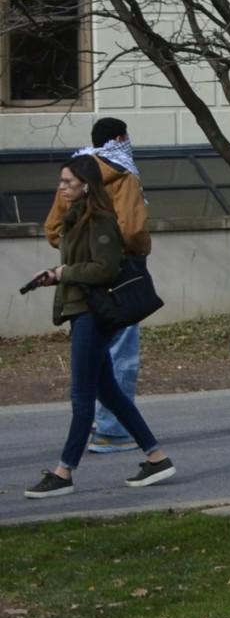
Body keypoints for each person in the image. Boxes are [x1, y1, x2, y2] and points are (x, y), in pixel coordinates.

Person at [22, 156, 176, 499]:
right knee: (107, 391)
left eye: (68, 182)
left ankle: (64, 472)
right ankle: (157, 457)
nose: (61, 188)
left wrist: (64, 273)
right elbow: (82, 264)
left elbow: (104, 270)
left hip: (93, 315)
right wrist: (54, 275)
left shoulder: (101, 220)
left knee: (81, 396)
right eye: (61, 181)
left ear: (86, 185)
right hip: (81, 311)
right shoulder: (76, 218)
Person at [42, 118, 150, 455]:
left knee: (96, 352)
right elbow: (132, 230)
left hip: (80, 275)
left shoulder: (75, 173)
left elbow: (53, 229)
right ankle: (114, 431)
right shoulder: (124, 173)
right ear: (120, 138)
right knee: (122, 350)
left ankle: (111, 430)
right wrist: (131, 250)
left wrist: (78, 251)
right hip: (119, 275)